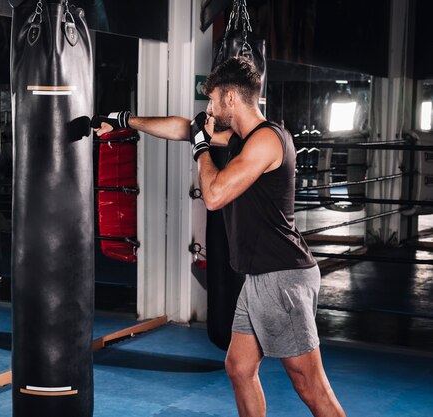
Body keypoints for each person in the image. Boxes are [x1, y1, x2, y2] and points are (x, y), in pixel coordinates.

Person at [92, 56, 346, 417]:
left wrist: (202, 149)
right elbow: (184, 127)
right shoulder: (240, 138)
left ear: (229, 98)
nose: (208, 108)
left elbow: (213, 196)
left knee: (310, 386)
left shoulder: (267, 141)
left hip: (282, 277)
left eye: (212, 100)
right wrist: (122, 120)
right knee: (239, 368)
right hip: (259, 277)